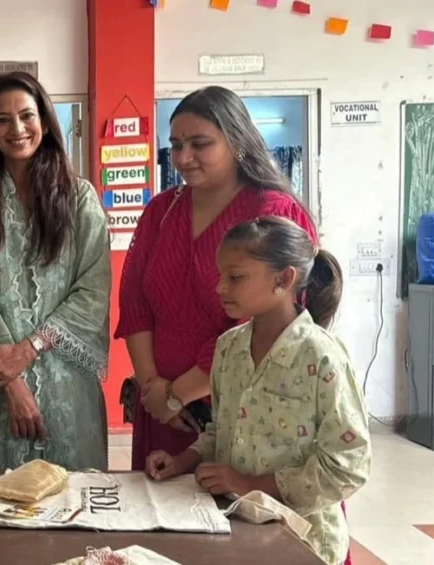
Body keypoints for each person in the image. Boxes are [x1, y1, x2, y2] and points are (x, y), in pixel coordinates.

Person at [146, 217, 370, 565]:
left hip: (303, 542)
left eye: (235, 278)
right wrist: (183, 461)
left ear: (283, 280)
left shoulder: (321, 357)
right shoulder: (228, 349)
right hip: (235, 530)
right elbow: (221, 430)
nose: (220, 288)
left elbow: (348, 467)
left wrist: (250, 483)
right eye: (221, 276)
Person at [116, 86, 318, 471]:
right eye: (176, 145)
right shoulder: (161, 210)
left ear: (237, 142)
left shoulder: (272, 211)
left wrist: (179, 393)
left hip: (241, 407)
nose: (183, 157)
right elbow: (135, 303)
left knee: (232, 504)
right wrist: (153, 388)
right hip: (161, 412)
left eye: (200, 144)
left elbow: (264, 324)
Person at [0, 71, 111, 470]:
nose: (17, 128)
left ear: (45, 122)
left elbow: (93, 291)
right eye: (3, 120)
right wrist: (11, 381)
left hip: (66, 382)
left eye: (26, 116)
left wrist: (29, 349)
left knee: (73, 495)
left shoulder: (79, 199)